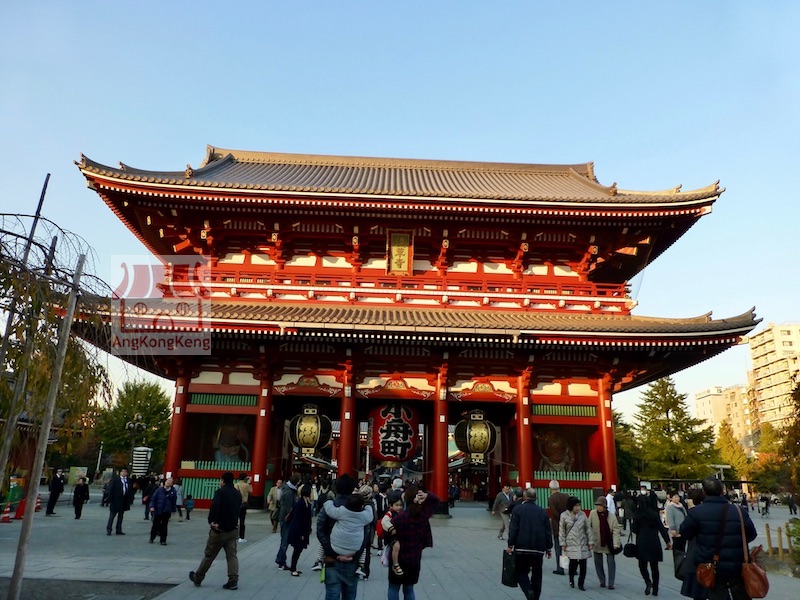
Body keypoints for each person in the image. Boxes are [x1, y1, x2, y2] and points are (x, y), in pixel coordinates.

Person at [680, 477, 757, 600]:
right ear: (722, 491)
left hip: (710, 564)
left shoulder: (696, 513)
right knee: (740, 593)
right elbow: (751, 534)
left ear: (704, 492)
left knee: (716, 593)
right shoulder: (739, 511)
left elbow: (685, 533)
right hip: (737, 563)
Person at [317, 473, 366, 600]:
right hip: (352, 559)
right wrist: (355, 555)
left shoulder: (329, 507)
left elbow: (320, 531)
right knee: (350, 595)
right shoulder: (359, 508)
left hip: (331, 559)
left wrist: (333, 553)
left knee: (332, 594)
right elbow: (366, 535)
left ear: (336, 487)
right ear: (352, 489)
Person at [189, 471, 241, 590]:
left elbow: (215, 506)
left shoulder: (220, 492)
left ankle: (198, 577)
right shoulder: (237, 493)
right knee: (232, 555)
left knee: (209, 555)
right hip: (232, 529)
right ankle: (233, 579)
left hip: (219, 529)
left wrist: (212, 521)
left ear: (222, 480)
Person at [387, 485, 440, 600]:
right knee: (409, 588)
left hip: (398, 558)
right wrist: (427, 495)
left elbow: (387, 533)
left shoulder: (400, 517)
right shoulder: (423, 516)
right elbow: (436, 501)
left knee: (393, 587)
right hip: (414, 557)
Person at [506, 488, 553, 600]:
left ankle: (528, 590)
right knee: (537, 574)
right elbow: (548, 531)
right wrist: (549, 547)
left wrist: (510, 544)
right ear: (535, 498)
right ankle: (535, 596)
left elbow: (513, 529)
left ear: (524, 497)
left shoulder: (518, 510)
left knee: (521, 572)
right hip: (538, 548)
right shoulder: (542, 512)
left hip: (522, 547)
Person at [632, 489, 672, 596]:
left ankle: (648, 581)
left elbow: (634, 530)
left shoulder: (637, 515)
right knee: (655, 567)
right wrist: (667, 541)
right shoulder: (654, 514)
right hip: (654, 541)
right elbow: (662, 529)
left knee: (642, 565)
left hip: (642, 542)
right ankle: (655, 589)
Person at [559, 495, 592, 591]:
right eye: (576, 505)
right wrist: (563, 543)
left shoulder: (583, 515)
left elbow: (588, 529)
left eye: (579, 505)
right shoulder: (564, 516)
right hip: (571, 543)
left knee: (583, 565)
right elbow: (562, 531)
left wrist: (590, 541)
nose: (578, 507)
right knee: (573, 564)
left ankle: (581, 583)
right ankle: (571, 579)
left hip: (582, 542)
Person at [679, 489, 707, 600]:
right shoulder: (727, 509)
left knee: (698, 591)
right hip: (718, 555)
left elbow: (684, 532)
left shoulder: (694, 513)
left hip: (697, 555)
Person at [589, 496, 621, 589]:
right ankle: (602, 580)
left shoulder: (611, 516)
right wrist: (589, 540)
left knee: (611, 563)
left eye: (600, 505)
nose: (598, 507)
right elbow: (588, 527)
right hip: (597, 541)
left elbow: (616, 531)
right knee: (598, 563)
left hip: (609, 543)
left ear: (604, 506)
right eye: (597, 505)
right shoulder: (593, 514)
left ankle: (611, 583)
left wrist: (616, 544)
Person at [287, 484, 314, 576]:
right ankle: (293, 568)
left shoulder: (307, 503)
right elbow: (298, 519)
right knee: (297, 549)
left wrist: (309, 528)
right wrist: (301, 533)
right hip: (298, 530)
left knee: (299, 549)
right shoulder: (300, 503)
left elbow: (308, 518)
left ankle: (293, 567)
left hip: (303, 529)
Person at [275, 473, 300, 570]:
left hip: (284, 517)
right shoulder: (289, 492)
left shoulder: (287, 489)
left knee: (284, 540)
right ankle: (281, 560)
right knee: (285, 540)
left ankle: (280, 558)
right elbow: (289, 508)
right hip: (287, 518)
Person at [547, 479, 569, 575]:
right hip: (568, 525)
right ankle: (572, 567)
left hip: (557, 525)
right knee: (568, 547)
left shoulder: (551, 499)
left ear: (550, 488)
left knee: (558, 547)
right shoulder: (566, 497)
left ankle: (560, 568)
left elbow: (554, 512)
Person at [149, 476, 177, 545]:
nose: (169, 482)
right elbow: (153, 499)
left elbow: (174, 501)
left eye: (171, 481)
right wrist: (152, 506)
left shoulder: (173, 491)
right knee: (155, 525)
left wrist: (173, 509)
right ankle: (152, 537)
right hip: (158, 509)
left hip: (167, 510)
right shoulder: (159, 490)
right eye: (168, 481)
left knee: (164, 526)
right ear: (165, 482)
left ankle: (163, 540)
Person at [106, 467, 135, 535]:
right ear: (120, 472)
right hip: (115, 500)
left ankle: (118, 529)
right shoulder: (115, 480)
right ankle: (109, 529)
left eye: (125, 472)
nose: (124, 473)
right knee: (112, 516)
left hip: (123, 501)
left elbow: (130, 490)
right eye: (123, 471)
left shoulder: (128, 480)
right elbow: (111, 490)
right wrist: (110, 500)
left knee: (121, 517)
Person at [666, 490, 688, 556]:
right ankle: (677, 562)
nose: (677, 498)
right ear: (671, 498)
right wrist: (673, 529)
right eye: (675, 497)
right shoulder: (670, 507)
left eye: (678, 497)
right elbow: (670, 519)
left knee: (682, 548)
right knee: (677, 548)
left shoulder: (681, 506)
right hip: (676, 531)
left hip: (683, 530)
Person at [234, 472, 253, 542]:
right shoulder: (246, 485)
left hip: (236, 504)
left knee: (235, 520)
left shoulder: (235, 485)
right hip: (243, 504)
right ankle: (241, 537)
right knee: (242, 520)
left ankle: (234, 535)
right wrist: (249, 482)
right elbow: (251, 491)